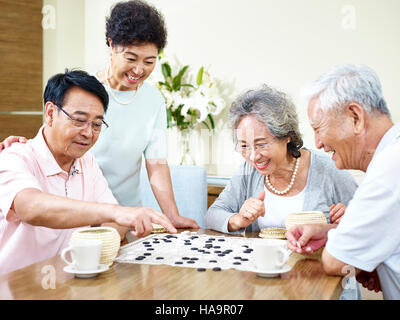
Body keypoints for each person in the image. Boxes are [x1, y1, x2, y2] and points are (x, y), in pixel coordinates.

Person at [0, 0, 199, 231]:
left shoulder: (153, 100)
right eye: (131, 58)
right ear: (111, 45)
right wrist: (19, 148)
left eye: (149, 61)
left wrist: (171, 215)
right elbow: (53, 141)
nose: (139, 70)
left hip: (120, 215)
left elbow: (156, 164)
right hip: (69, 211)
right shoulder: (85, 93)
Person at [0, 70, 176, 275]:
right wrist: (117, 212)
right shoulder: (13, 157)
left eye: (97, 124)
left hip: (67, 285)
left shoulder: (86, 162)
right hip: (15, 288)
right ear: (50, 113)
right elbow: (30, 207)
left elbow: (114, 222)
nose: (88, 133)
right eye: (78, 120)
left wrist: (117, 222)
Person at [204, 84, 361, 299]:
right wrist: (237, 220)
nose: (253, 156)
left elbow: (366, 228)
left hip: (322, 287)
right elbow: (212, 214)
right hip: (266, 286)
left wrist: (343, 221)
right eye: (244, 146)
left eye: (260, 144)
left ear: (286, 136)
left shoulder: (329, 171)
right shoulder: (248, 172)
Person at [286, 64, 400, 300]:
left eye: (318, 128)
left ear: (355, 117)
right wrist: (331, 232)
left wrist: (341, 243)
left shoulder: (389, 168)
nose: (317, 143)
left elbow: (334, 261)